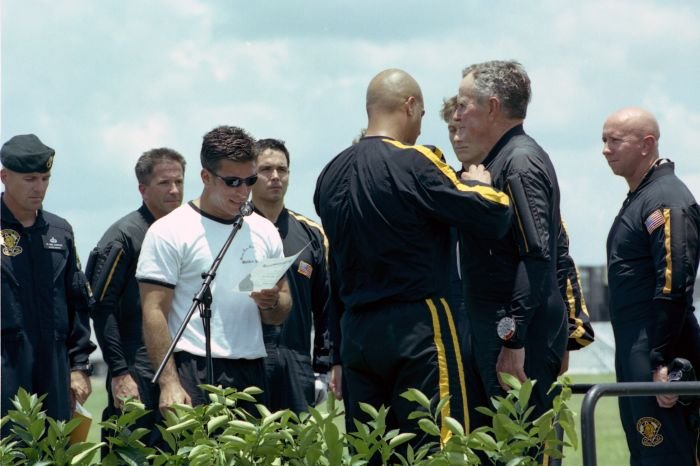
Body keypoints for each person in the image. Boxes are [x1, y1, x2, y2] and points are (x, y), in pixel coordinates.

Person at [314, 68, 512, 453]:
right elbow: (492, 214)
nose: (421, 126)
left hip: (356, 332)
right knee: (435, 445)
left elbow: (335, 268)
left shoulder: (329, 174)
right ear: (409, 106)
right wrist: (479, 184)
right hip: (418, 327)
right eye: (421, 114)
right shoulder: (416, 161)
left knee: (369, 449)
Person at [452, 61, 576, 434]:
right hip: (495, 330)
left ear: (491, 107)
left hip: (518, 340)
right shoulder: (495, 161)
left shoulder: (519, 162)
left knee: (522, 446)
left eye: (462, 105)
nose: (456, 116)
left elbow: (537, 255)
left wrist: (513, 337)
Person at [137, 126, 292, 413]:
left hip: (252, 368)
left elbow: (280, 309)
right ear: (206, 177)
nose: (243, 191)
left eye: (250, 180)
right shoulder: (168, 230)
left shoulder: (265, 230)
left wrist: (272, 303)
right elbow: (154, 310)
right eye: (232, 182)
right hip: (192, 366)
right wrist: (169, 382)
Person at [602, 106, 700, 465]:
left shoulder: (666, 199)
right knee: (645, 455)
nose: (605, 150)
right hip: (635, 348)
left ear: (646, 144)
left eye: (615, 141)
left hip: (656, 352)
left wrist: (660, 361)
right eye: (604, 140)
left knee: (667, 455)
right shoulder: (642, 197)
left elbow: (675, 284)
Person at [86, 148, 185, 444]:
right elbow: (100, 308)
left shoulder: (185, 233)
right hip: (135, 364)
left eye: (179, 182)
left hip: (180, 362)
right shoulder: (123, 237)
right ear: (143, 189)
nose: (174, 190)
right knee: (131, 452)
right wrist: (119, 372)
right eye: (164, 183)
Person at [1, 134, 95, 429]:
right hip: (6, 366)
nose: (39, 187)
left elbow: (77, 303)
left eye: (45, 179)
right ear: (4, 177)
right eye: (30, 179)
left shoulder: (60, 232)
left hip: (53, 370)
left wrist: (79, 366)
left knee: (56, 447)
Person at [251, 138, 330, 413]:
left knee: (295, 439)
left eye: (282, 169)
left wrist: (323, 367)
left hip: (296, 361)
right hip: (244, 360)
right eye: (266, 169)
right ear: (251, 175)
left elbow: (325, 307)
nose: (275, 176)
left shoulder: (312, 235)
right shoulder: (233, 229)